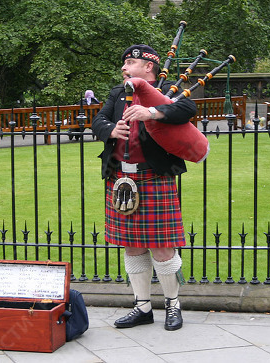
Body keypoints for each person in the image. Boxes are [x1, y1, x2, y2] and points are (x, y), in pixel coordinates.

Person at [92, 44, 197, 331]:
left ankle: (173, 306)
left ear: (148, 66)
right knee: (133, 247)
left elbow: (187, 109)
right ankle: (142, 307)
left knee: (162, 249)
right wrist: (111, 130)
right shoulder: (117, 93)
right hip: (121, 179)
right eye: (124, 62)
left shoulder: (164, 93)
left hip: (154, 177)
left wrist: (152, 112)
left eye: (129, 62)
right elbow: (97, 120)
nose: (124, 67)